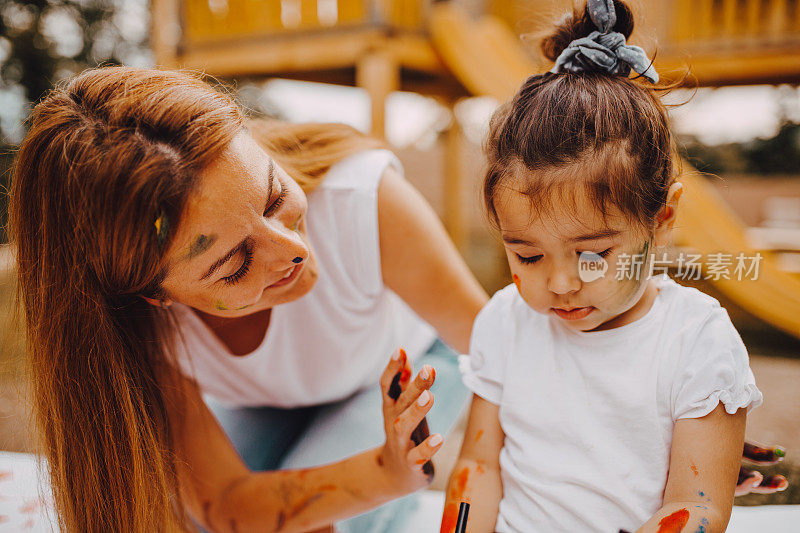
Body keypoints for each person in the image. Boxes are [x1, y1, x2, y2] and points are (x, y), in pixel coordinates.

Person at [9, 66, 487, 532]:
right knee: (186, 516)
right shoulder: (130, 320)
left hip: (405, 370)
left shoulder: (361, 199)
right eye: (234, 265)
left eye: (274, 198)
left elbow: (501, 353)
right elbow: (225, 503)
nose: (294, 251)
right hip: (268, 400)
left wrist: (470, 465)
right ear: (156, 297)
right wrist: (383, 472)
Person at [441, 1, 767, 532]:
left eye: (593, 255)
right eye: (527, 255)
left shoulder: (695, 339)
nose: (561, 283)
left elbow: (699, 507)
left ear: (661, 221)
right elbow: (477, 467)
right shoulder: (506, 321)